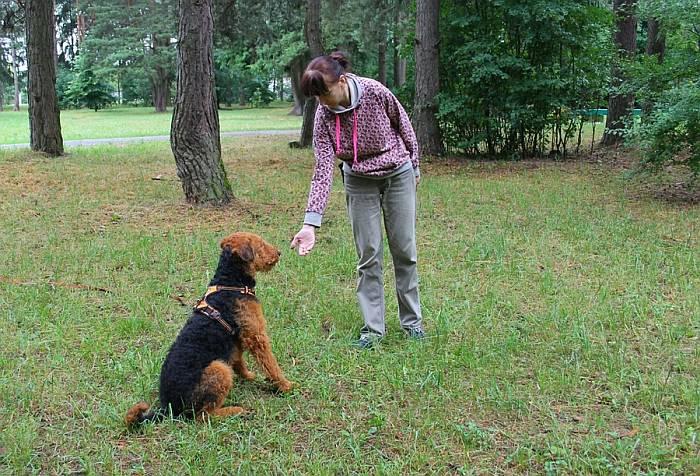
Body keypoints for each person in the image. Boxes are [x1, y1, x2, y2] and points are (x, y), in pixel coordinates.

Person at [290, 51, 425, 349]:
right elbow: (323, 168)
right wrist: (311, 223)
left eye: (324, 94)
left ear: (342, 80)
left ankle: (412, 323)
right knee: (369, 255)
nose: (322, 102)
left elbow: (404, 125)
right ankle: (373, 330)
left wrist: (414, 165)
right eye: (315, 98)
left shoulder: (375, 92)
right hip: (358, 178)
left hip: (397, 172)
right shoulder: (324, 116)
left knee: (404, 250)